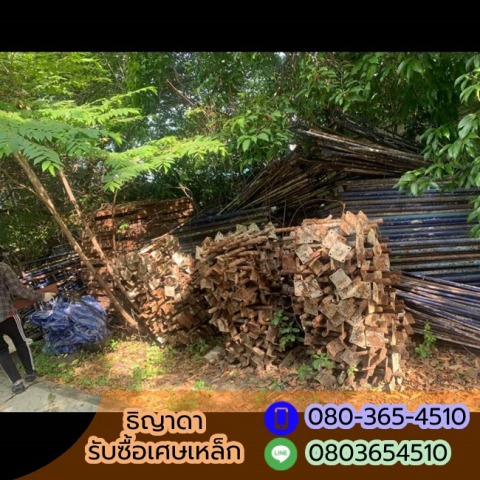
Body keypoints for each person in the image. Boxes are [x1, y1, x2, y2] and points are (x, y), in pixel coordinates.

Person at [0, 261, 57, 394]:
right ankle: (31, 373)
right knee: (20, 342)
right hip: (8, 315)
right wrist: (42, 296)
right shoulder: (2, 267)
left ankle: (17, 384)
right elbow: (17, 289)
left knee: (1, 352)